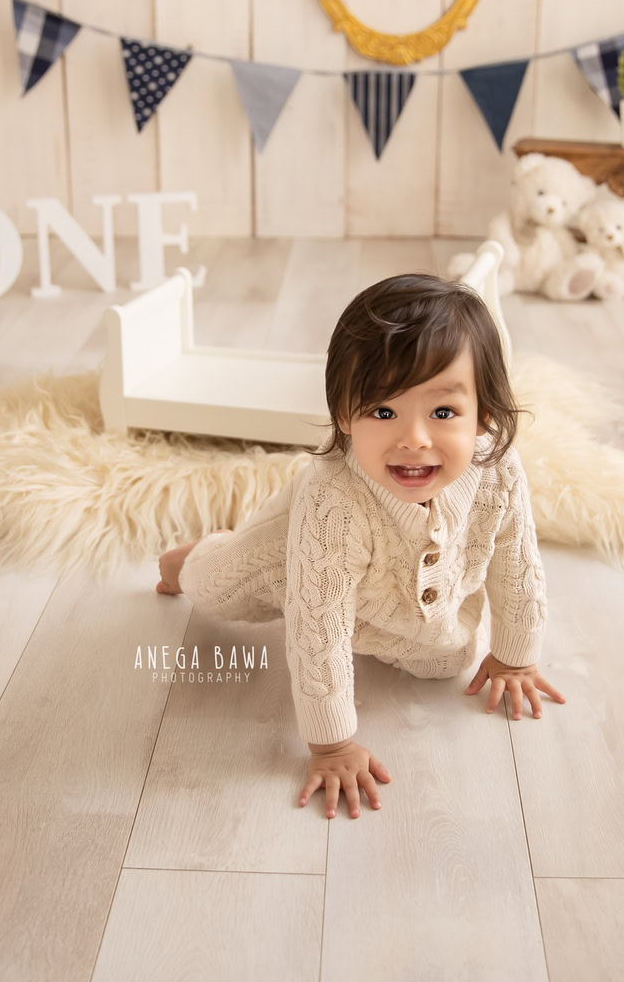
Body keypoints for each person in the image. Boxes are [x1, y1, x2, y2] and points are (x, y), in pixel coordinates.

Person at [157, 272, 567, 820]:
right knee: (216, 586)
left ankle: (394, 627)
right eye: (382, 411)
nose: (414, 438)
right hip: (288, 563)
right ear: (346, 416)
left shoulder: (497, 469)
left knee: (449, 660)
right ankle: (192, 555)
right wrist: (333, 743)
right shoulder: (334, 499)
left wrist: (515, 656)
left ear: (484, 415)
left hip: (394, 601)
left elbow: (518, 562)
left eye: (443, 413)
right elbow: (316, 624)